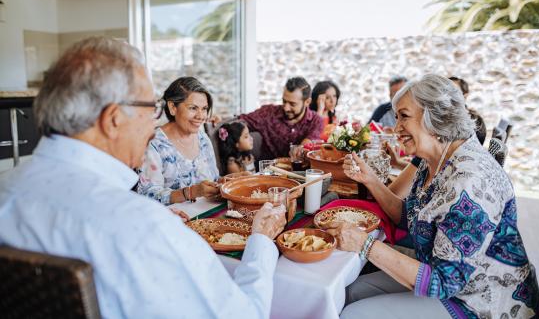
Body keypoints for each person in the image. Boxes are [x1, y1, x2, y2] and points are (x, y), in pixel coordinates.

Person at [0, 37, 286, 318]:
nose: (154, 126)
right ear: (113, 119)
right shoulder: (143, 227)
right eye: (152, 110)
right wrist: (261, 240)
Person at [333, 74, 539, 318]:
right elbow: (407, 217)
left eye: (404, 116)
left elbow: (443, 282)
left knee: (354, 314)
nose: (397, 127)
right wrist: (370, 180)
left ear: (435, 117)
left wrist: (365, 244)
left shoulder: (469, 181)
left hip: (480, 301)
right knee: (351, 291)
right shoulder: (437, 157)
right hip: (442, 275)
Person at [137, 77, 220, 206]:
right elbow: (147, 195)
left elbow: (214, 180)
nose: (200, 116)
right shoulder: (154, 144)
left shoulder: (202, 138)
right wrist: (191, 192)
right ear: (172, 107)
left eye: (204, 109)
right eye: (193, 108)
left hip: (206, 218)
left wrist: (228, 181)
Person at [239, 77, 323, 159]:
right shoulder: (268, 113)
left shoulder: (315, 120)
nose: (286, 108)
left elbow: (310, 141)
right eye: (284, 101)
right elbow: (240, 121)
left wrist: (301, 148)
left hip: (301, 170)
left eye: (292, 104)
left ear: (307, 102)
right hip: (268, 170)